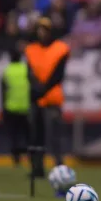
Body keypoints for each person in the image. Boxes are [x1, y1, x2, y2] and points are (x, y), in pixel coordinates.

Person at [24, 17, 70, 177]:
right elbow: (29, 73)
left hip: (52, 99)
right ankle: (37, 167)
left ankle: (60, 168)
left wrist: (42, 89)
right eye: (39, 29)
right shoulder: (31, 49)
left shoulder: (60, 49)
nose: (41, 33)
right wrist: (36, 88)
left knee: (54, 136)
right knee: (36, 136)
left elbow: (58, 74)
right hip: (36, 98)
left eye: (44, 29)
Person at [0, 49, 30, 167]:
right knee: (27, 135)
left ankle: (16, 158)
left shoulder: (7, 71)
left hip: (11, 107)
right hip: (25, 107)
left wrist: (3, 108)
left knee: (14, 135)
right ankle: (30, 156)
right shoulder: (25, 69)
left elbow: (3, 91)